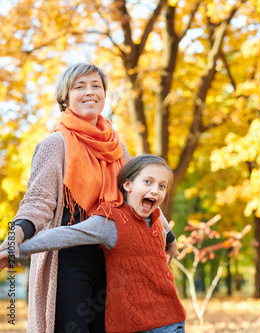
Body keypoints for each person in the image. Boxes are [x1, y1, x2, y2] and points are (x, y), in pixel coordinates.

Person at [0, 62, 177, 332]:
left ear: (105, 95)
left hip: (114, 257)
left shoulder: (117, 146)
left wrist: (167, 233)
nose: (90, 92)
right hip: (69, 259)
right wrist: (14, 240)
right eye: (79, 86)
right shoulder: (55, 144)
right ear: (65, 97)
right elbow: (38, 202)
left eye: (96, 86)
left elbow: (140, 192)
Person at [1, 154, 186, 333]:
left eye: (162, 186)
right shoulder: (111, 222)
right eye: (148, 182)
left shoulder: (156, 221)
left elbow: (163, 229)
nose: (155, 190)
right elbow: (63, 235)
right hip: (131, 326)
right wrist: (19, 248)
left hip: (169, 321)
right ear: (127, 184)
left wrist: (171, 238)